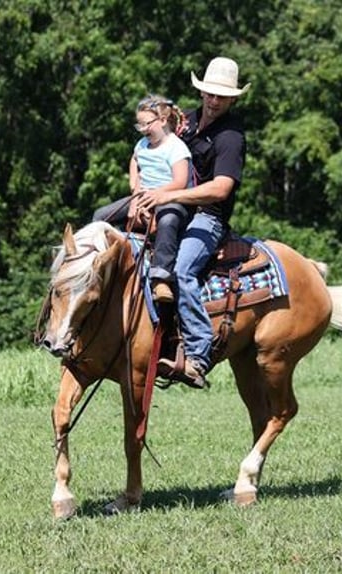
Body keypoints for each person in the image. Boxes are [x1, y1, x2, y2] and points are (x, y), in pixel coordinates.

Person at [137, 56, 250, 388]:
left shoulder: (231, 137)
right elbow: (152, 149)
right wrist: (144, 195)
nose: (214, 101)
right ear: (201, 92)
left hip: (208, 217)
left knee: (183, 269)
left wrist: (166, 197)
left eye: (222, 96)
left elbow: (221, 188)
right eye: (209, 93)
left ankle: (198, 356)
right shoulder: (184, 121)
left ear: (232, 98)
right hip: (171, 206)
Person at [92, 95, 193, 303]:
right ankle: (96, 265)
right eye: (140, 125)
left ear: (163, 121)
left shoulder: (176, 147)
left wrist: (156, 196)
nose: (144, 129)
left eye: (147, 124)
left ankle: (161, 278)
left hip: (170, 197)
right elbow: (135, 162)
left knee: (167, 221)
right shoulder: (142, 144)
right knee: (101, 216)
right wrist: (135, 191)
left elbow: (180, 181)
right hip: (143, 195)